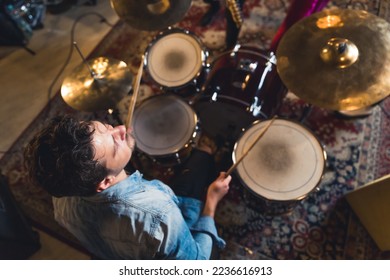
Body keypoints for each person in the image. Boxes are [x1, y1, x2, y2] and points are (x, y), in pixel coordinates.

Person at [23, 115, 231, 259]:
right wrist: (211, 203)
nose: (121, 129)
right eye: (115, 144)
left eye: (107, 127)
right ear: (105, 182)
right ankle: (205, 154)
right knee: (201, 164)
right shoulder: (159, 212)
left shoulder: (61, 190)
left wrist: (114, 145)